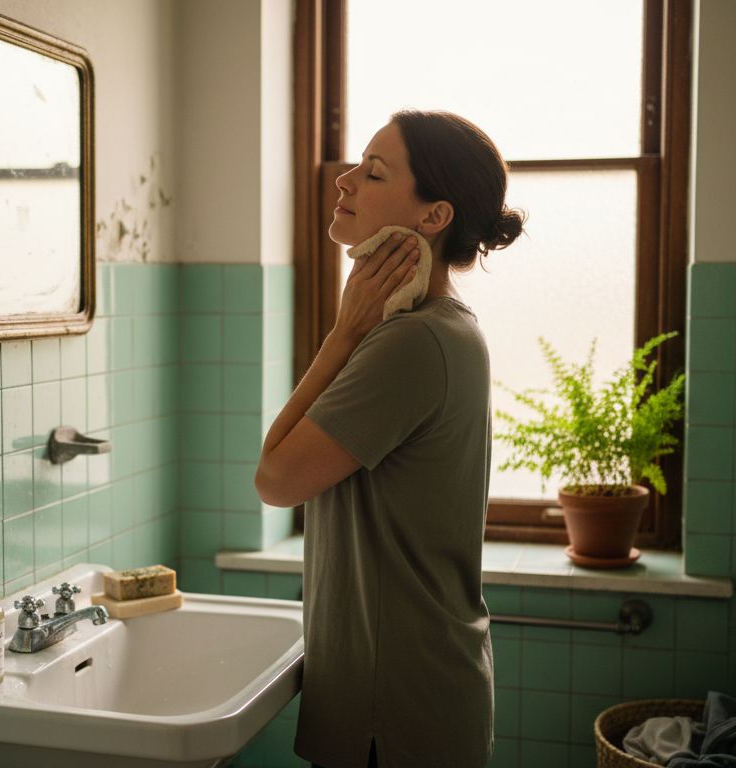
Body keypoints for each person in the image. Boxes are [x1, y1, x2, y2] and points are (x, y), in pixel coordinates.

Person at [254, 109, 525, 768]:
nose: (344, 181)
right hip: (412, 697)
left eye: (373, 173)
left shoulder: (411, 341)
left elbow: (276, 480)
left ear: (434, 216)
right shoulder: (444, 327)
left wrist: (344, 333)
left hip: (393, 710)